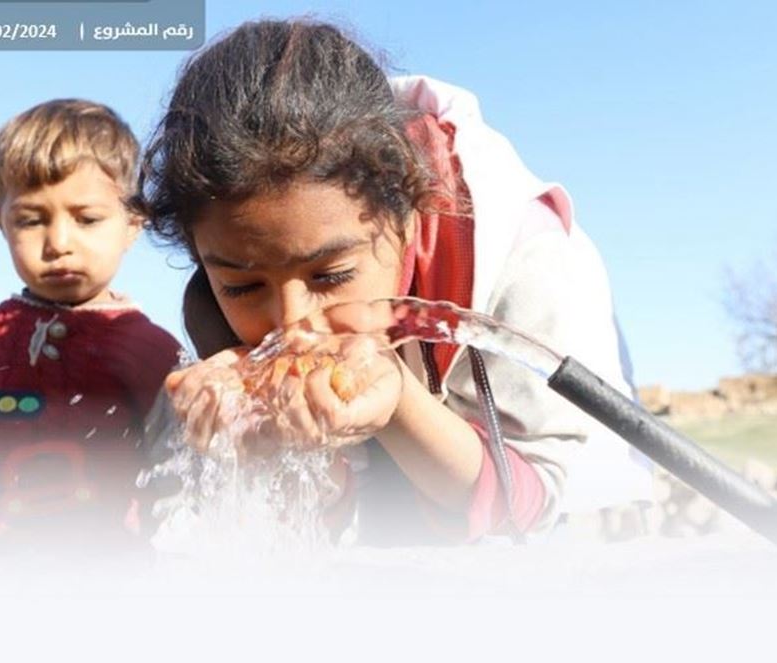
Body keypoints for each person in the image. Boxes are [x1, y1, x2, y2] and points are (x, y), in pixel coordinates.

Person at [139, 19, 651, 545]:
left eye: (332, 275)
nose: (293, 323)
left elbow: (531, 499)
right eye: (244, 287)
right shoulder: (215, 304)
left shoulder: (518, 254)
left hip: (574, 510)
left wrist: (397, 400)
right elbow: (312, 525)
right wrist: (265, 445)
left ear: (407, 218)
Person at [0, 99, 181, 553]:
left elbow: (172, 475)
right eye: (31, 220)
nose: (58, 243)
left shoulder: (153, 355)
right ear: (1, 223)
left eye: (88, 219)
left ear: (134, 223)